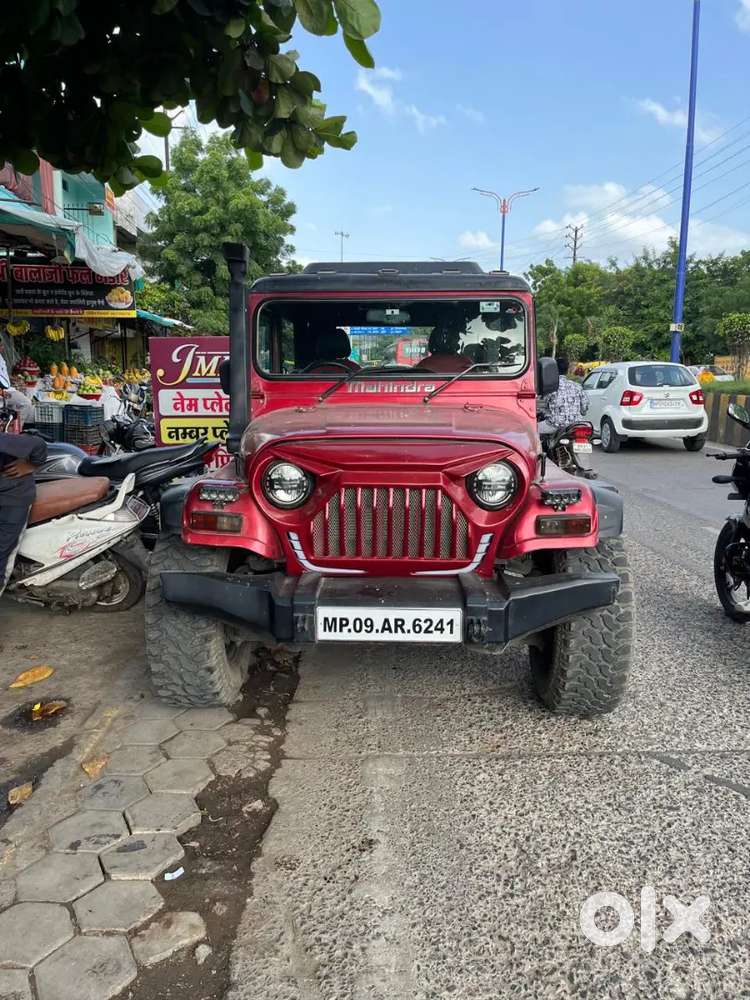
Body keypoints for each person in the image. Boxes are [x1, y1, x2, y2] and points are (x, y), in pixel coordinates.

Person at [0, 420, 47, 597]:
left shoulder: (6, 442)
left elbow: (38, 445)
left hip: (13, 496)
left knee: (3, 551)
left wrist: (31, 465)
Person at [541, 356, 589, 430]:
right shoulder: (577, 386)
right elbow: (584, 406)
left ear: (553, 370)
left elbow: (543, 405)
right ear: (567, 370)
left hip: (555, 424)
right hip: (576, 425)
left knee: (533, 430)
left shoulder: (551, 386)